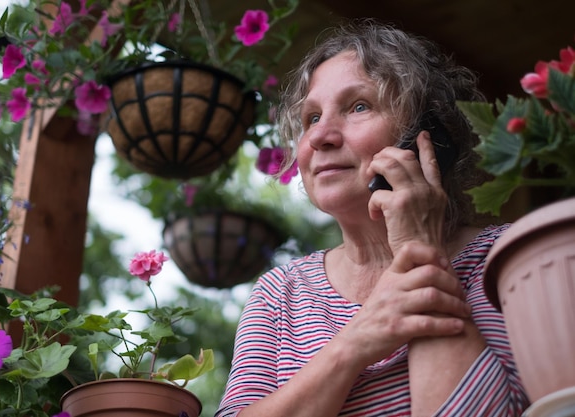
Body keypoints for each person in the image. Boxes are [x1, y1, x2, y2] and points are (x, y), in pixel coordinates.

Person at [215, 18, 530, 417]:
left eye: (358, 106)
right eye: (311, 118)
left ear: (427, 134)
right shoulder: (281, 294)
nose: (318, 137)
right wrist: (357, 342)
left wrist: (419, 247)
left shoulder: (510, 259)